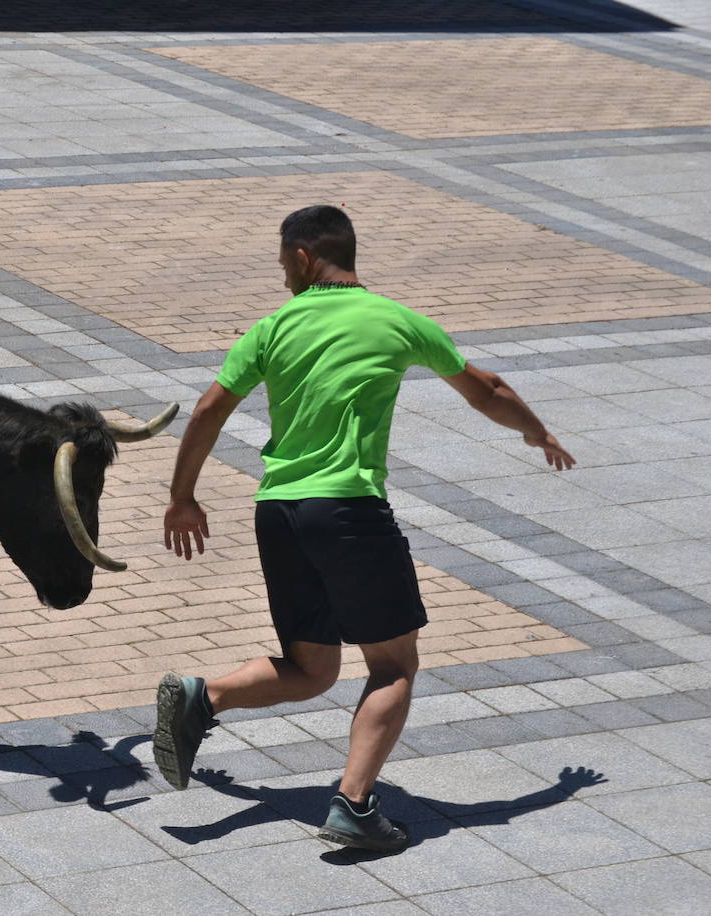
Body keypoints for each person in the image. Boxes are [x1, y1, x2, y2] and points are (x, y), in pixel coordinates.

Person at [154, 204, 575, 853]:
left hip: (280, 511)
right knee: (394, 665)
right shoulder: (396, 320)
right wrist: (536, 429)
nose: (281, 273)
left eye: (280, 261)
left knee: (312, 668)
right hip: (349, 510)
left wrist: (183, 497)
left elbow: (210, 408)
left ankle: (202, 697)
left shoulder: (272, 328)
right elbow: (486, 388)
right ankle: (353, 804)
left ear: (300, 257)